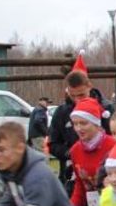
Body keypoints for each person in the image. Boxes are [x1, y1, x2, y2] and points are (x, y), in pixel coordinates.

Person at [47, 56, 112, 187]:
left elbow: (114, 138)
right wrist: (71, 153)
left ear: (89, 86)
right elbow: (52, 143)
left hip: (104, 173)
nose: (77, 100)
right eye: (73, 95)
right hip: (72, 172)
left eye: (81, 95)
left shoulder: (106, 109)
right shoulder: (61, 113)